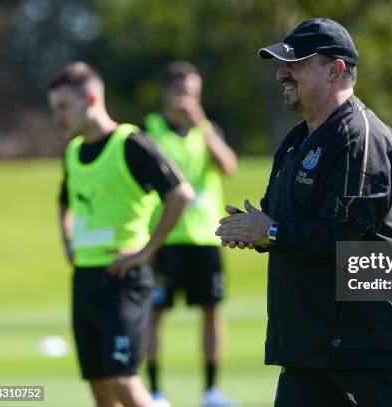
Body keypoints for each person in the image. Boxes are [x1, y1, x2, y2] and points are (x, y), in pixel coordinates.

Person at [216, 18, 392, 406]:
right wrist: (254, 230)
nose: (282, 73)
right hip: (308, 349)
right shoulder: (298, 140)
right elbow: (287, 221)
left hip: (365, 348)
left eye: (295, 64)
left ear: (335, 70)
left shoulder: (361, 136)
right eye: (281, 64)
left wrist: (271, 232)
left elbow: (347, 234)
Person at [50, 62, 194, 407]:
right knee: (100, 387)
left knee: (124, 383)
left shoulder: (130, 143)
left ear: (90, 98)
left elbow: (180, 194)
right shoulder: (73, 151)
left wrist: (147, 250)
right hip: (85, 280)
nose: (57, 118)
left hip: (123, 282)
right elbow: (64, 201)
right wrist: (67, 241)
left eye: (63, 107)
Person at [143, 61, 237, 407]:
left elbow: (228, 166)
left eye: (194, 94)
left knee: (212, 312)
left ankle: (211, 390)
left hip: (204, 238)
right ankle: (153, 391)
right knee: (153, 314)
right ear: (166, 92)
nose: (188, 100)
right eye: (182, 92)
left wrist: (203, 126)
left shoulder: (207, 130)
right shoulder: (149, 129)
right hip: (163, 238)